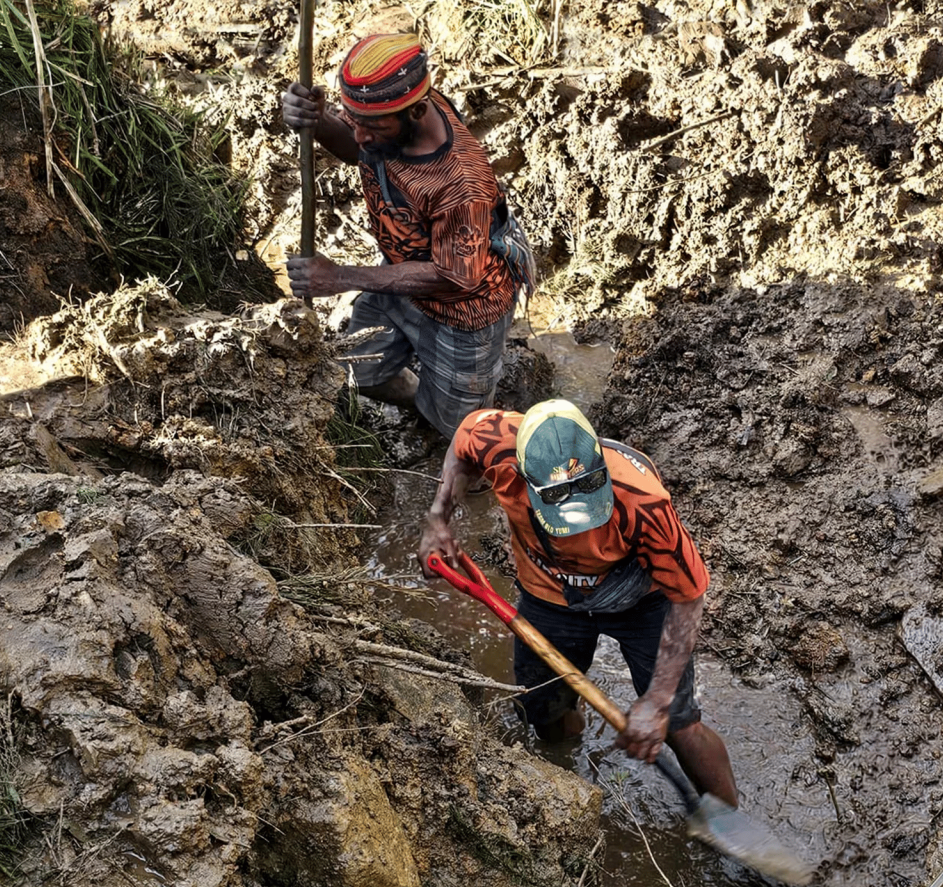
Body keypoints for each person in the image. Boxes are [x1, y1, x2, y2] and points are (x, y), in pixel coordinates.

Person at [420, 400, 740, 805]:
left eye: (588, 492)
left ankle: (728, 818)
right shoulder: (494, 441)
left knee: (678, 724)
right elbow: (461, 445)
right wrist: (438, 519)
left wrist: (657, 702)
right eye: (557, 500)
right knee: (543, 709)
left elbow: (689, 597)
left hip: (641, 601)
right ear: (521, 475)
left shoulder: (642, 501)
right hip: (549, 594)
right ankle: (566, 778)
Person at [279, 33, 532, 437]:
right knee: (358, 368)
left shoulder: (459, 184)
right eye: (352, 119)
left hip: (464, 310)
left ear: (416, 112)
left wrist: (340, 278)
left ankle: (453, 440)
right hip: (403, 275)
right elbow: (356, 149)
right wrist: (318, 121)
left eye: (371, 127)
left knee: (464, 434)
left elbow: (456, 275)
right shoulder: (392, 120)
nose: (360, 136)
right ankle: (423, 404)